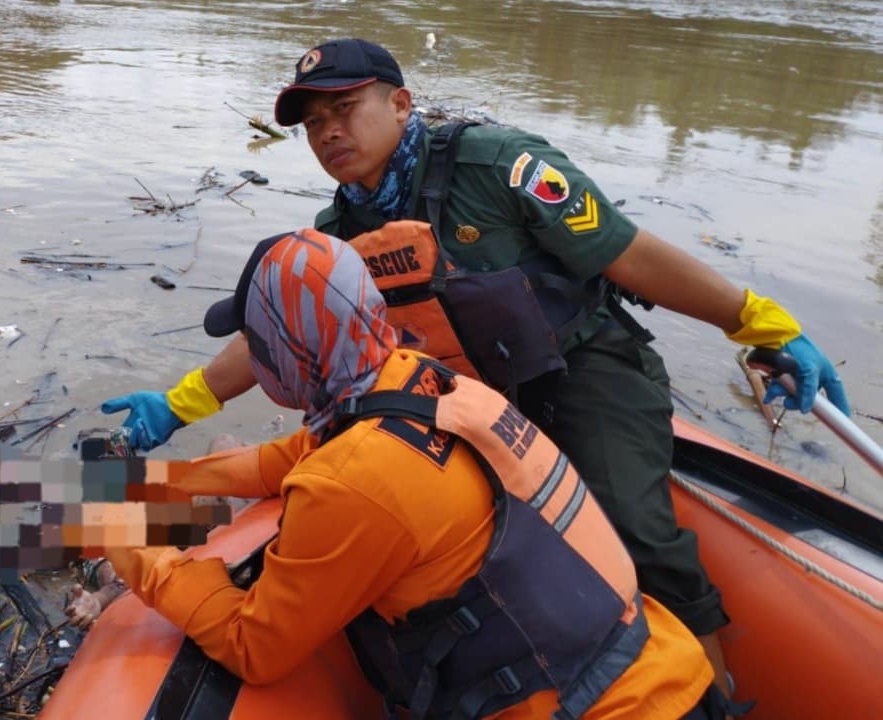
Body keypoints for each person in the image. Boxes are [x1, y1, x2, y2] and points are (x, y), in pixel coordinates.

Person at [97, 38, 851, 701]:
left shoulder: (499, 169)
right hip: (475, 399)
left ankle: (709, 691)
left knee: (636, 529)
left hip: (581, 368)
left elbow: (626, 254)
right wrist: (179, 402)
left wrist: (754, 320)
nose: (329, 132)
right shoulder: (342, 231)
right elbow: (282, 332)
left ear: (399, 102)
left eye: (345, 109)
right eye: (313, 123)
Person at [86, 229, 733, 719]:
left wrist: (129, 542)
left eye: (260, 345)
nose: (252, 361)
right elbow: (293, 460)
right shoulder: (430, 384)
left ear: (292, 351)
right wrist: (158, 483)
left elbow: (255, 646)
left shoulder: (355, 479)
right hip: (669, 677)